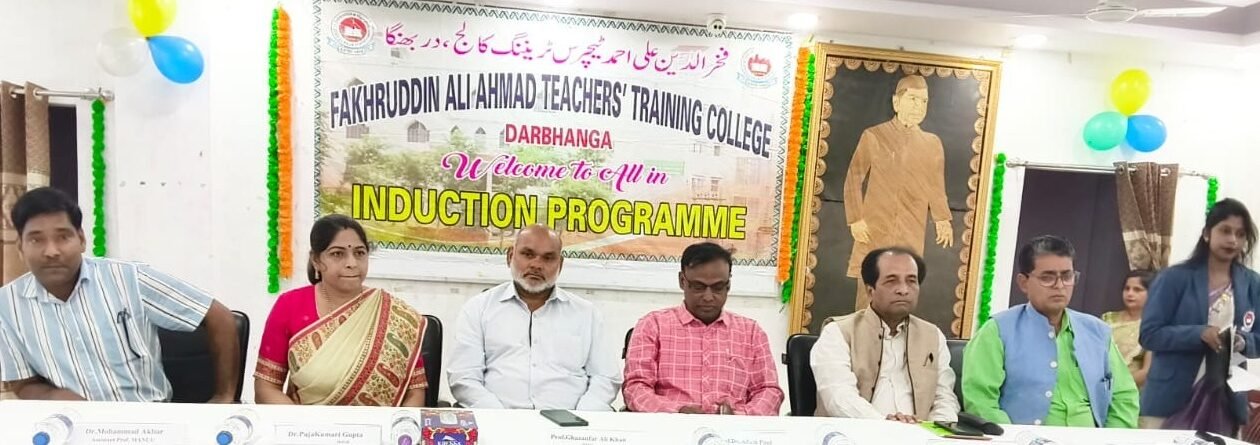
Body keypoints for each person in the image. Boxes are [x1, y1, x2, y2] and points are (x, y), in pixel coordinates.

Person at [0, 187, 239, 402]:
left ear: (81, 240)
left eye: (63, 237)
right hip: (75, 425)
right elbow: (22, 383)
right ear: (20, 248)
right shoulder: (6, 306)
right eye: (36, 240)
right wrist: (53, 396)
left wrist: (224, 397)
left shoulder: (129, 278)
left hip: (148, 421)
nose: (51, 251)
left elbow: (218, 316)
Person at [963, 235, 1138, 428]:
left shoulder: (1097, 331)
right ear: (1023, 282)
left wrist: (1110, 439)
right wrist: (1015, 439)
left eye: (1067, 276)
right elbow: (981, 401)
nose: (1059, 286)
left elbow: (1124, 397)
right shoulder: (997, 330)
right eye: (1047, 277)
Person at [254, 214, 428, 406]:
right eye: (338, 254)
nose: (352, 263)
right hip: (304, 423)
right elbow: (266, 388)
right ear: (316, 260)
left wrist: (393, 425)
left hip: (380, 424)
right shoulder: (290, 306)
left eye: (359, 253)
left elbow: (415, 392)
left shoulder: (396, 315)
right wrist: (301, 422)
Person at [448, 224, 619, 410]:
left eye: (548, 258)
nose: (537, 265)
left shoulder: (587, 314)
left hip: (570, 421)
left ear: (560, 265)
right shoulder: (478, 308)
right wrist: (497, 418)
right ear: (510, 256)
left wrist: (583, 419)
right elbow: (464, 376)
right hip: (495, 418)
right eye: (528, 254)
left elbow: (605, 377)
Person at [1140, 198, 1260, 434]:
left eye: (1240, 234)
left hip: (1226, 400)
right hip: (1171, 399)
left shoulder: (1252, 284)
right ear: (1207, 233)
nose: (1232, 240)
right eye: (1225, 231)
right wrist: (1198, 334)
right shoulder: (1174, 278)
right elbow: (1149, 335)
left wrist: (1243, 341)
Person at [623, 242, 784, 415]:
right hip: (668, 426)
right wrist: (677, 412)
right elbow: (635, 388)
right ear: (682, 281)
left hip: (734, 429)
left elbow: (769, 391)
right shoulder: (653, 325)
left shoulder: (751, 332)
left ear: (728, 285)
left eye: (718, 288)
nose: (708, 297)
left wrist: (739, 416)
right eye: (698, 287)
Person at [812, 247, 959, 422]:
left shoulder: (933, 336)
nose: (903, 290)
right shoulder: (838, 332)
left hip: (919, 433)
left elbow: (945, 398)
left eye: (911, 281)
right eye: (891, 281)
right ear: (870, 291)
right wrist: (885, 426)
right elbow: (839, 397)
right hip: (856, 432)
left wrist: (934, 430)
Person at [844, 74, 953, 311]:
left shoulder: (931, 143)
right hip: (875, 229)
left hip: (910, 230)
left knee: (903, 293)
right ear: (896, 102)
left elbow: (936, 184)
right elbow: (854, 177)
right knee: (868, 292)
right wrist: (855, 219)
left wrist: (942, 219)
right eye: (912, 99)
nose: (918, 106)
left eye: (923, 101)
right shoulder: (874, 136)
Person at [1101, 270, 1155, 388]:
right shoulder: (1107, 319)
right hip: (1096, 386)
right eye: (1127, 289)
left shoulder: (1152, 328)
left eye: (1137, 290)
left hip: (1130, 390)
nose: (1130, 293)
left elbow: (1147, 372)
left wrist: (1115, 386)